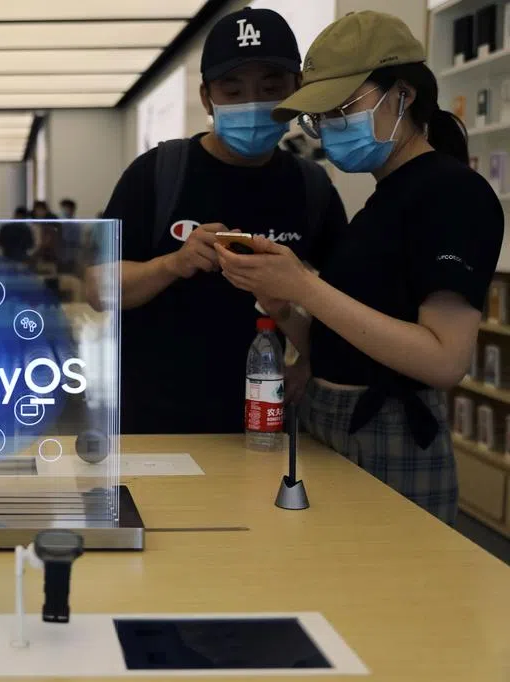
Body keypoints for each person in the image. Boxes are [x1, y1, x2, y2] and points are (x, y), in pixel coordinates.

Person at [217, 11, 504, 525]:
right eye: (320, 116)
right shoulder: (385, 199)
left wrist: (305, 286)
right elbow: (344, 346)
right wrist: (283, 305)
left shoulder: (453, 194)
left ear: (403, 94)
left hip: (389, 434)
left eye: (342, 108)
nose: (329, 127)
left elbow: (444, 361)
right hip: (333, 424)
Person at [97, 7, 348, 435]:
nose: (252, 104)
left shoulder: (311, 187)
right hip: (151, 423)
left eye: (271, 88)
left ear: (297, 90)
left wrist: (310, 362)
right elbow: (96, 287)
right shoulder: (158, 174)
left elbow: (346, 306)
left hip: (262, 422)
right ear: (206, 98)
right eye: (232, 90)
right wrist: (173, 263)